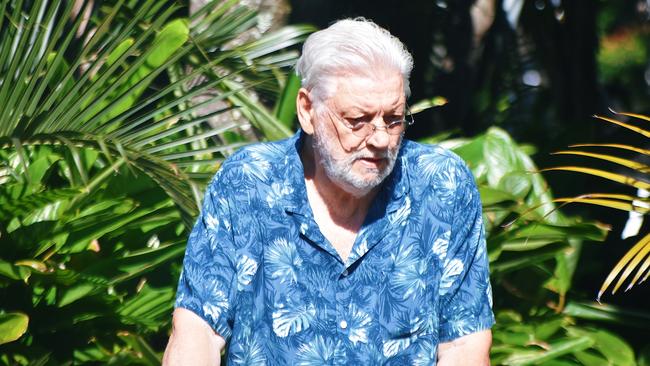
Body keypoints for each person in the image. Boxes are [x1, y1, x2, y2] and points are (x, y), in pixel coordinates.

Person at [163, 18, 494, 365]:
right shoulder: (249, 183)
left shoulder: (442, 185)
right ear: (308, 110)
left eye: (394, 119)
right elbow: (197, 330)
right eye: (358, 120)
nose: (380, 139)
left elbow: (463, 344)